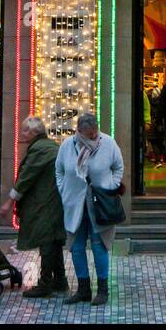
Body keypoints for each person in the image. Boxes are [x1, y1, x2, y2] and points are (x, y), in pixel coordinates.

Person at [55, 113, 124, 305]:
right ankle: (83, 289)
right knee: (76, 248)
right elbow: (59, 170)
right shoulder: (67, 146)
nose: (94, 137)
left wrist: (111, 186)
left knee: (98, 245)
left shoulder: (108, 143)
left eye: (95, 133)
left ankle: (103, 290)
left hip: (100, 205)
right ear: (79, 132)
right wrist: (64, 191)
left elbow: (118, 167)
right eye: (90, 135)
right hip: (75, 204)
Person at [1, 116, 68, 298]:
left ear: (34, 132)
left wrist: (9, 202)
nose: (22, 133)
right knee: (53, 239)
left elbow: (26, 177)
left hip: (45, 202)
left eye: (24, 130)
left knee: (46, 240)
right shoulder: (49, 146)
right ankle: (60, 280)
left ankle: (45, 283)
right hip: (54, 200)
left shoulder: (39, 149)